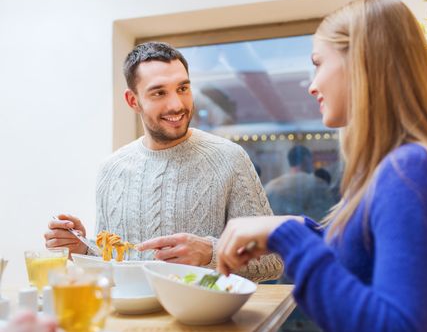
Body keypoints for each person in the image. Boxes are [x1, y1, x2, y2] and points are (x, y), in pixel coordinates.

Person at [216, 0, 427, 332]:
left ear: (362, 62)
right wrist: (297, 227)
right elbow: (365, 257)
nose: (312, 85)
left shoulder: (409, 171)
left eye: (318, 63)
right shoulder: (399, 167)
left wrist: (292, 237)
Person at [44, 42, 282, 282]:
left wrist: (211, 252)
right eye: (159, 92)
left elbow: (273, 261)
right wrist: (83, 248)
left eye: (182, 88)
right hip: (129, 318)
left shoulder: (230, 158)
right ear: (133, 101)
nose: (177, 104)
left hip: (206, 318)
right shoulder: (111, 169)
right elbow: (115, 262)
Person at [264, 145, 334, 221]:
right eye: (312, 160)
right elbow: (327, 216)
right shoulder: (317, 183)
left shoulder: (270, 186)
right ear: (306, 159)